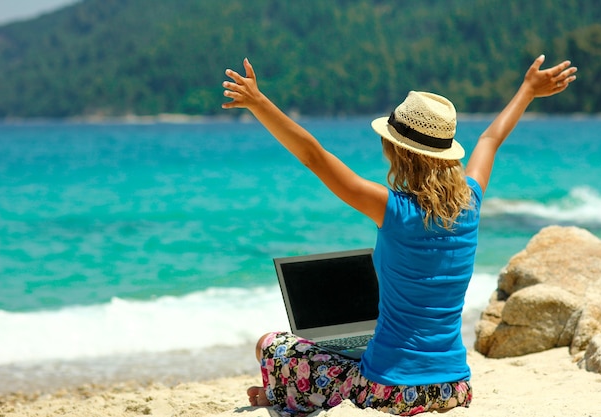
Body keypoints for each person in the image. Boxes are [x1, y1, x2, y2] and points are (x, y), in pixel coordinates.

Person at [222, 55, 577, 416]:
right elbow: (490, 138)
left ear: (396, 150)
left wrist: (257, 102)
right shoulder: (471, 200)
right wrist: (529, 90)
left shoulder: (391, 207)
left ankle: (285, 395)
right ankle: (284, 395)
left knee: (271, 345)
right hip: (454, 388)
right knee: (347, 355)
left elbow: (314, 156)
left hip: (391, 390)